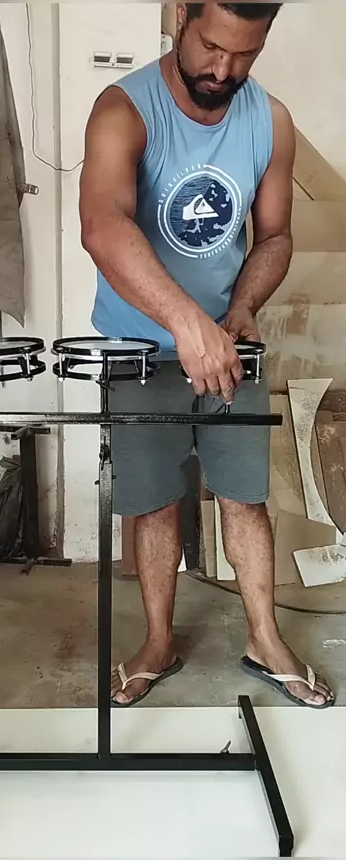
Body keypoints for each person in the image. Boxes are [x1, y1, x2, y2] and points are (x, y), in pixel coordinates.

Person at [79, 1, 335, 710]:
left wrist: (241, 306)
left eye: (244, 54)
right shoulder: (124, 109)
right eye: (212, 47)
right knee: (154, 502)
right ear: (181, 17)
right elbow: (102, 224)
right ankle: (158, 643)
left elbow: (275, 235)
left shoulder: (270, 121)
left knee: (244, 497)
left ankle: (265, 639)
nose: (223, 70)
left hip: (229, 346)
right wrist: (186, 326)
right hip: (140, 352)